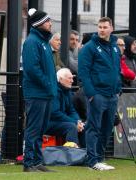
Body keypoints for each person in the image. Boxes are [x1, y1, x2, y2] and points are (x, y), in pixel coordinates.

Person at [78, 17, 121, 170]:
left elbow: (117, 71)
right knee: (93, 128)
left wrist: (118, 89)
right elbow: (83, 72)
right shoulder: (89, 47)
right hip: (97, 95)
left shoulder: (115, 47)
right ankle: (92, 161)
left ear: (111, 28)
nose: (102, 30)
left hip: (112, 95)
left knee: (107, 128)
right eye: (100, 27)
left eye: (105, 27)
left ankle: (99, 159)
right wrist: (91, 94)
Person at [22, 8, 57, 172]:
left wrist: (51, 87)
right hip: (36, 93)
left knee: (41, 130)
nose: (51, 23)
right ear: (40, 23)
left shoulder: (43, 42)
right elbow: (32, 69)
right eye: (48, 21)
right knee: (34, 129)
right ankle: (29, 163)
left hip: (45, 94)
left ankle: (36, 161)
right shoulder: (31, 42)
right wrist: (48, 84)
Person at [45, 68, 85, 148]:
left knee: (84, 126)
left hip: (60, 122)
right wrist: (74, 122)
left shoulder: (67, 92)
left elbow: (71, 110)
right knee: (71, 127)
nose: (72, 81)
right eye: (69, 78)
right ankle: (71, 155)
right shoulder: (54, 91)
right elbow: (55, 113)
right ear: (60, 79)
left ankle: (85, 154)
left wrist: (78, 121)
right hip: (48, 123)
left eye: (72, 78)